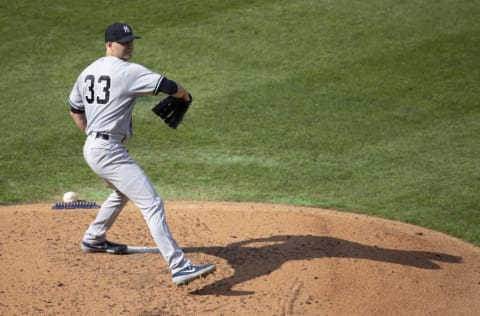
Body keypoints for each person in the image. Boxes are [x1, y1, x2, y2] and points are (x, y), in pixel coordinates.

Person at [68, 22, 215, 285]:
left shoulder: (88, 71)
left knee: (121, 192)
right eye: (124, 42)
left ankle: (94, 238)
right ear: (109, 44)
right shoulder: (128, 72)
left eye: (131, 41)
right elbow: (168, 85)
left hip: (93, 147)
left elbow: (75, 109)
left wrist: (93, 139)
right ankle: (179, 266)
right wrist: (185, 96)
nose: (129, 46)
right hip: (108, 150)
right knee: (152, 203)